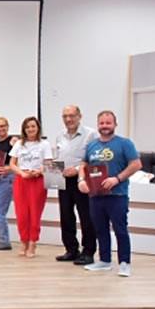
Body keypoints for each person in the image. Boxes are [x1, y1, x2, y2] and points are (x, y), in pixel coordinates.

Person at [79, 110, 141, 277]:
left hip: (117, 195)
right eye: (102, 123)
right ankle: (105, 261)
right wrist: (81, 180)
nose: (105, 126)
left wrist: (117, 179)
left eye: (108, 123)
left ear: (115, 125)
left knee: (120, 229)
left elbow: (136, 164)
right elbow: (84, 164)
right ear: (98, 125)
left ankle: (124, 263)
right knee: (100, 229)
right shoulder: (92, 145)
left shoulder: (124, 143)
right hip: (95, 195)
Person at [55, 105, 97, 266]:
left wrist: (78, 169)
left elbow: (94, 159)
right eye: (65, 116)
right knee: (65, 216)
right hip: (63, 179)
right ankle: (71, 249)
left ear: (80, 116)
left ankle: (88, 251)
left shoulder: (91, 134)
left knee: (86, 216)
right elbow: (58, 157)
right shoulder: (60, 135)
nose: (68, 119)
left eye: (72, 115)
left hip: (83, 180)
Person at [9, 117, 52, 258]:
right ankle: (24, 242)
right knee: (21, 214)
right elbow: (12, 164)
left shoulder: (44, 144)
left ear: (38, 128)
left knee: (35, 213)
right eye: (27, 127)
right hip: (21, 180)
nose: (30, 129)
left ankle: (33, 243)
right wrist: (22, 173)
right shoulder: (19, 144)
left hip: (37, 181)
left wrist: (38, 172)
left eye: (33, 126)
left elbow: (49, 164)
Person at [0, 117, 18, 251]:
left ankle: (5, 241)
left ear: (8, 126)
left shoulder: (14, 141)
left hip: (6, 179)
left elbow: (19, 160)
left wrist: (9, 168)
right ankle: (2, 239)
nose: (0, 129)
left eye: (3, 126)